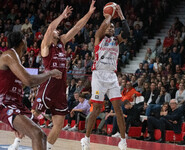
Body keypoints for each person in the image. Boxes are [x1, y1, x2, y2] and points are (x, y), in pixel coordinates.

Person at [31, 2, 95, 150]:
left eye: (57, 31)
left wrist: (89, 13)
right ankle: (17, 143)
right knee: (34, 115)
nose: (57, 31)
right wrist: (62, 16)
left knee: (59, 124)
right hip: (48, 85)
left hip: (60, 90)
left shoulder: (62, 42)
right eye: (55, 31)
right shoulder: (45, 46)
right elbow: (50, 28)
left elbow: (77, 27)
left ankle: (47, 147)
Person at [0, 31, 62, 150]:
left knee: (41, 136)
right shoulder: (9, 55)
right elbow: (29, 81)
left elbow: (22, 84)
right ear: (23, 41)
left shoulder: (17, 61)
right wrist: (50, 73)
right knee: (37, 134)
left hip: (16, 104)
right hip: (5, 104)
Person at [81, 4, 130, 150]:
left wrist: (120, 15)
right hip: (98, 75)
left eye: (113, 28)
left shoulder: (116, 40)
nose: (110, 28)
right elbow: (102, 28)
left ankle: (123, 141)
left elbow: (126, 33)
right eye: (109, 27)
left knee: (118, 109)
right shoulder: (98, 38)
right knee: (96, 109)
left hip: (111, 76)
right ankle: (86, 139)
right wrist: (109, 14)